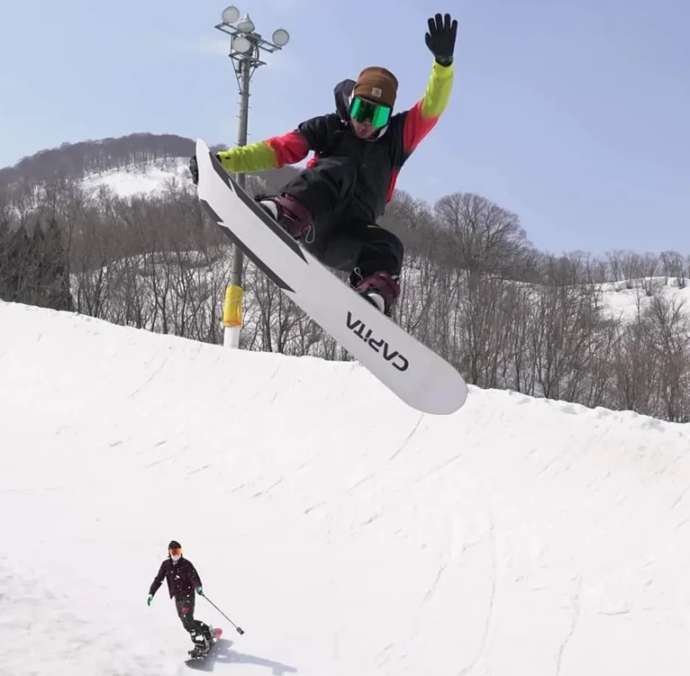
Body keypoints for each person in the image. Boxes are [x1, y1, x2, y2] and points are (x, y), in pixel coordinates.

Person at [191, 12, 457, 316]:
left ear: (389, 117)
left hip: (348, 240)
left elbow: (432, 106)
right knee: (340, 168)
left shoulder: (397, 139)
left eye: (378, 116)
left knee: (390, 245)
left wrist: (443, 65)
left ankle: (372, 297)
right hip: (311, 222)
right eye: (361, 110)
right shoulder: (330, 127)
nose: (366, 124)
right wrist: (224, 162)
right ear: (351, 101)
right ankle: (281, 215)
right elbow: (278, 150)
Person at [147, 540, 213, 653]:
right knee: (185, 621)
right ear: (169, 552)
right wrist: (151, 593)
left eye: (178, 551)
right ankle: (206, 630)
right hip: (177, 597)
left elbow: (194, 576)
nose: (176, 554)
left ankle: (201, 645)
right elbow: (158, 580)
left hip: (188, 595)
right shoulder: (166, 565)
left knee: (187, 620)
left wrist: (198, 587)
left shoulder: (186, 564)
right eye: (173, 551)